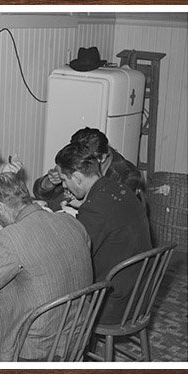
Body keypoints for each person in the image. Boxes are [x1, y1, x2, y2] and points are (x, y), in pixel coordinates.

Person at [0, 173, 93, 362]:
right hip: (75, 340)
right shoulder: (72, 223)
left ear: (0, 208)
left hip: (32, 351)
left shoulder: (10, 238)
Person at [54, 137, 153, 324]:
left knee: (49, 286)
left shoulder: (95, 210)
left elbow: (73, 260)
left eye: (64, 180)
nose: (64, 186)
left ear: (77, 177)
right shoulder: (120, 188)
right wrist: (85, 204)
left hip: (114, 304)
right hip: (140, 293)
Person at [33, 127, 144, 211]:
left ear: (102, 158)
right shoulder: (79, 158)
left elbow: (112, 215)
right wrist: (50, 182)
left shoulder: (128, 175)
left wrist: (84, 203)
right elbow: (39, 193)